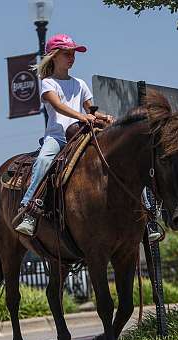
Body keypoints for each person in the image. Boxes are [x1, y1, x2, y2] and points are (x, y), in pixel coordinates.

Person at [15, 33, 113, 236]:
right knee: (42, 161)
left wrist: (105, 118)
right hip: (58, 137)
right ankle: (29, 210)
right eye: (67, 54)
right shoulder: (48, 83)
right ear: (54, 56)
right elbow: (58, 106)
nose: (72, 57)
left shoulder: (80, 83)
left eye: (73, 54)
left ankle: (144, 214)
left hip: (81, 134)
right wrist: (83, 116)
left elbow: (91, 111)